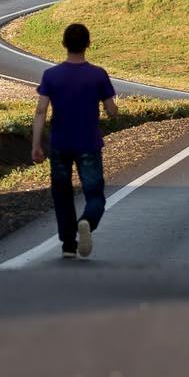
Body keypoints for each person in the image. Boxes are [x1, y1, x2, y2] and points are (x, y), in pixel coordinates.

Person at [32, 21, 119, 260]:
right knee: (94, 193)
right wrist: (112, 108)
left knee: (62, 194)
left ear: (64, 44)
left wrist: (36, 145)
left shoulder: (51, 75)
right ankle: (87, 222)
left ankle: (68, 244)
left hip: (60, 143)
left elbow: (41, 111)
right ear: (88, 44)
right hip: (88, 143)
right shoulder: (98, 75)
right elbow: (111, 111)